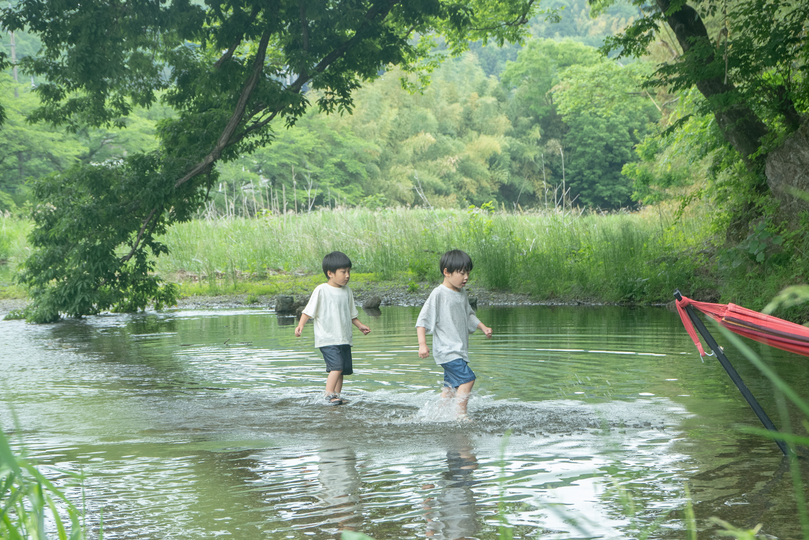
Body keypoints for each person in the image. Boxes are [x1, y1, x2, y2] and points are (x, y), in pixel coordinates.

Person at [416, 249, 492, 418]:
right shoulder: (438, 294)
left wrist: (483, 327)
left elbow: (469, 315)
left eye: (468, 273)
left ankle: (437, 415)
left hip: (458, 350)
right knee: (468, 379)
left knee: (450, 388)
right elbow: (422, 321)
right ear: (447, 272)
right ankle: (460, 415)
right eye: (462, 273)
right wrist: (422, 344)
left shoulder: (461, 293)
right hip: (447, 350)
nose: (466, 277)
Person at [295, 251, 371, 405]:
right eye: (343, 272)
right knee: (337, 366)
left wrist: (360, 326)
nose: (347, 275)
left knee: (341, 369)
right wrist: (300, 325)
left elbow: (351, 314)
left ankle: (337, 395)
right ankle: (328, 395)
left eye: (349, 271)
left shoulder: (347, 291)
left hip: (344, 337)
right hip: (328, 338)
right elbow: (308, 311)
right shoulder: (321, 290)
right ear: (330, 273)